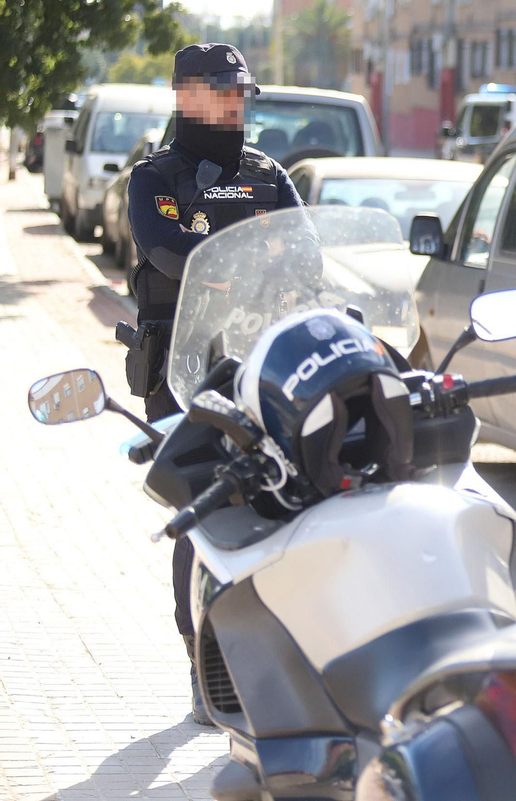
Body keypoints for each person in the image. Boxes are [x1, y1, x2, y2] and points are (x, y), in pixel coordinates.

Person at [123, 43, 302, 724]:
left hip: (262, 360)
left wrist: (251, 270)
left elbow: (305, 250)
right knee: (201, 515)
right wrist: (250, 263)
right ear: (186, 99)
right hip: (183, 367)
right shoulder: (154, 177)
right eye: (222, 94)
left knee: (276, 500)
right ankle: (201, 661)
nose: (235, 107)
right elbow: (166, 255)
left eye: (240, 95)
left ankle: (265, 658)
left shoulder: (267, 173)